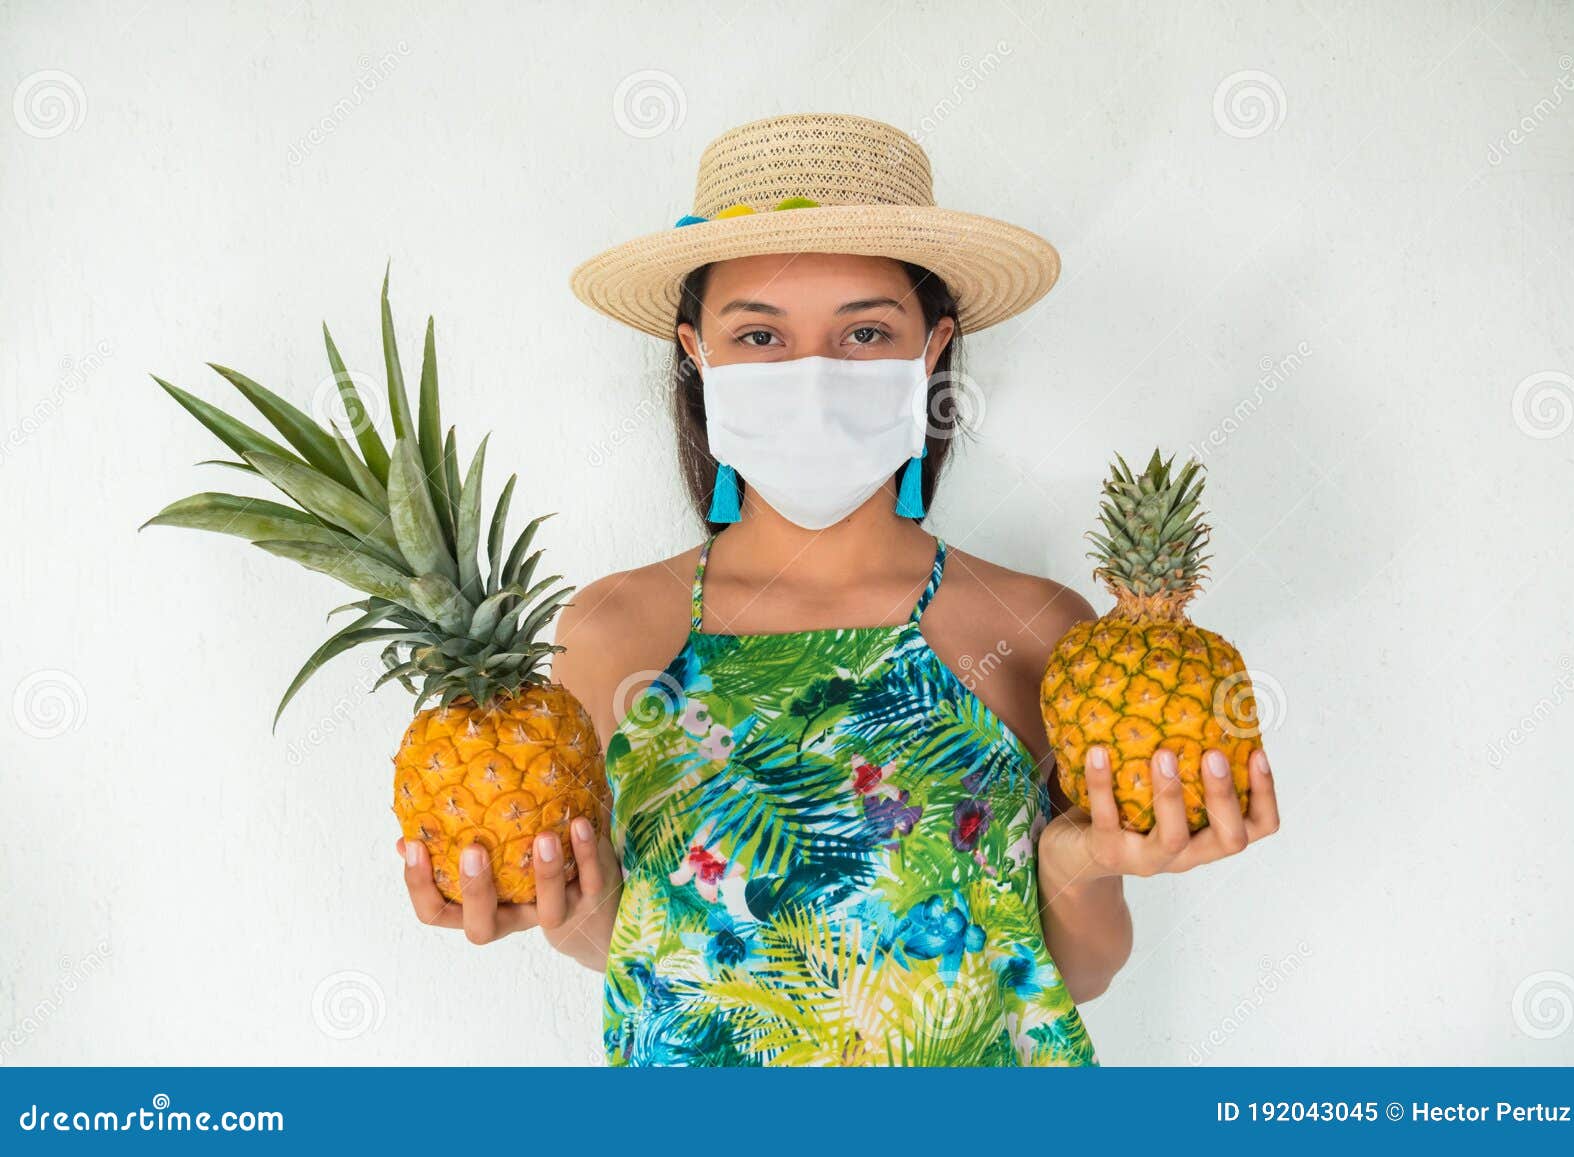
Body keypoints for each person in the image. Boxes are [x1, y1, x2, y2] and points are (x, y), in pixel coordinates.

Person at [398, 113, 1279, 1066]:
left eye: (865, 330)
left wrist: (1075, 859)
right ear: (696, 353)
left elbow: (1081, 970)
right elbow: (632, 948)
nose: (812, 374)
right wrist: (564, 902)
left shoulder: (1036, 627)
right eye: (760, 333)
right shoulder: (614, 631)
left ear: (931, 351)